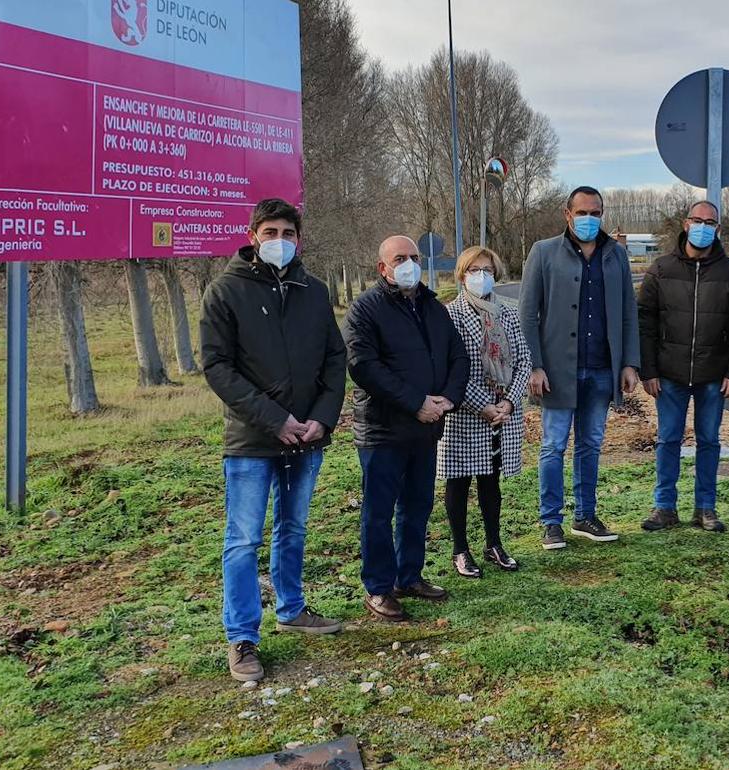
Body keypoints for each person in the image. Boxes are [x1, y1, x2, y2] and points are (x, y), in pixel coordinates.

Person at [199, 198, 347, 682]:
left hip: (307, 437)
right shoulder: (225, 291)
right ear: (252, 235)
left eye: (287, 232)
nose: (278, 241)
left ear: (298, 237)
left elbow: (333, 359)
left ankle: (293, 607)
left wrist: (322, 419)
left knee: (294, 528)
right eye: (269, 232)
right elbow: (217, 366)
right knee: (242, 540)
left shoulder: (313, 290)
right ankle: (242, 638)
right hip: (252, 439)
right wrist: (274, 418)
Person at [343, 235, 468, 620]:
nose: (409, 264)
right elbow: (364, 366)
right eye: (400, 258)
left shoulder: (433, 307)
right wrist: (415, 403)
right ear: (383, 267)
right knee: (378, 513)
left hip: (426, 428)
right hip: (383, 430)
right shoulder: (365, 309)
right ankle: (379, 588)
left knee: (417, 505)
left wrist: (446, 398)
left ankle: (409, 575)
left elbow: (457, 355)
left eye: (414, 257)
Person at [519, 186, 641, 550]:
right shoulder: (543, 253)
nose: (591, 219)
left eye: (597, 212)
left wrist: (630, 362)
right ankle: (551, 521)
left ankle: (586, 516)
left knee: (590, 444)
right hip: (557, 371)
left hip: (602, 369)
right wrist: (534, 365)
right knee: (553, 446)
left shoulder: (615, 255)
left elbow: (628, 312)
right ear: (567, 214)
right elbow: (527, 313)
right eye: (583, 212)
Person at [638, 200, 729, 533]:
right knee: (668, 440)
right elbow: (644, 321)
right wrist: (649, 369)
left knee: (709, 441)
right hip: (669, 373)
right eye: (697, 219)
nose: (703, 226)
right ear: (686, 223)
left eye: (710, 222)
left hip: (714, 375)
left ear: (717, 229)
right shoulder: (661, 268)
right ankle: (664, 507)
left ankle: (706, 508)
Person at [438, 246, 531, 577]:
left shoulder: (508, 312)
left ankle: (494, 543)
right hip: (467, 413)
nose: (482, 276)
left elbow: (523, 360)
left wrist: (508, 402)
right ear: (462, 275)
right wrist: (484, 405)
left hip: (503, 413)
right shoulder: (450, 315)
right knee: (459, 482)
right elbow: (451, 369)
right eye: (474, 270)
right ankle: (460, 549)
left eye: (487, 270)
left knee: (491, 481)